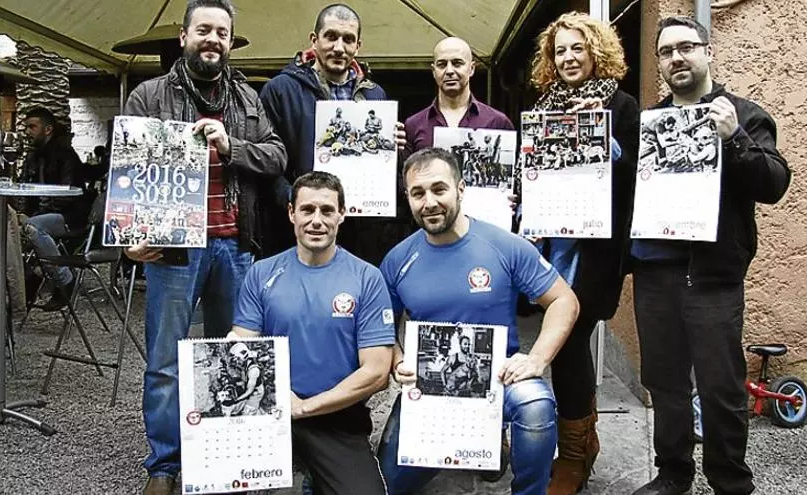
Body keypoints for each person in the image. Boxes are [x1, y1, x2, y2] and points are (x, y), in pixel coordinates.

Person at [121, 1, 287, 493]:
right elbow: (127, 173)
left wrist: (231, 145)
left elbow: (276, 155)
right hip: (173, 250)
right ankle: (164, 465)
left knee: (231, 354)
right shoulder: (148, 96)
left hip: (235, 244)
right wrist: (129, 240)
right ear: (184, 36)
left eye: (222, 32)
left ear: (230, 41)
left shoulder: (248, 98)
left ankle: (222, 459)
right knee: (165, 362)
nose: (212, 39)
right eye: (203, 30)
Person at [630, 17, 790, 495]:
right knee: (665, 383)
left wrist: (734, 137)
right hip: (656, 272)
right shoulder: (648, 122)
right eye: (666, 52)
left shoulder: (744, 114)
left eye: (686, 47)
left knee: (721, 386)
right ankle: (673, 473)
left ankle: (730, 481)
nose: (676, 58)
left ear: (708, 52)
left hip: (714, 276)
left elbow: (774, 184)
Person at [376, 147, 581, 495]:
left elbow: (564, 300)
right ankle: (477, 442)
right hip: (430, 388)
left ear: (461, 189)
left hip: (498, 379)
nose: (429, 202)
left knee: (535, 405)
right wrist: (398, 362)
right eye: (418, 193)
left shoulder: (504, 245)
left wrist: (537, 359)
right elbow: (381, 327)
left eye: (439, 189)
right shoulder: (398, 260)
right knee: (385, 487)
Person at [524, 12, 641, 493]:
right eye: (560, 51)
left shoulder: (622, 105)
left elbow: (636, 176)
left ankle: (574, 453)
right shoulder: (544, 107)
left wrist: (601, 138)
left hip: (593, 251)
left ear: (596, 51)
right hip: (551, 246)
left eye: (578, 48)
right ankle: (578, 442)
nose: (569, 58)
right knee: (562, 343)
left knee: (569, 342)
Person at [229, 171, 394, 495]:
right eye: (307, 210)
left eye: (327, 210)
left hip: (338, 417)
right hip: (269, 411)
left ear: (342, 214)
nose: (316, 220)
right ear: (292, 213)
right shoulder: (261, 273)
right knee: (219, 482)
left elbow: (376, 372)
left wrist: (305, 407)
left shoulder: (367, 278)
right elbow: (243, 347)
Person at [259, 3, 407, 263]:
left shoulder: (375, 94)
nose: (339, 47)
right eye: (331, 37)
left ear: (358, 46)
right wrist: (294, 200)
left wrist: (394, 148)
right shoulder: (280, 90)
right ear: (314, 40)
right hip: (302, 228)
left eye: (348, 39)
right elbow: (267, 160)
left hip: (360, 229)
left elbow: (386, 170)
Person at [19, 106, 87, 311]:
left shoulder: (65, 155)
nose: (27, 132)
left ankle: (65, 281)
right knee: (9, 227)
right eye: (26, 127)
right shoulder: (32, 157)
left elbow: (68, 194)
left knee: (32, 227)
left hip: (70, 217)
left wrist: (35, 215)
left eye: (32, 127)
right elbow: (25, 190)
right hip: (43, 215)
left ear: (48, 129)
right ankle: (26, 283)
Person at [404, 37, 514, 157]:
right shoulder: (413, 125)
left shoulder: (498, 122)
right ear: (433, 71)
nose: (449, 71)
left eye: (457, 63)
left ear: (471, 69)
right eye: (442, 65)